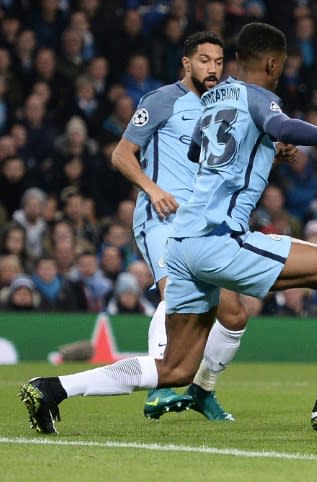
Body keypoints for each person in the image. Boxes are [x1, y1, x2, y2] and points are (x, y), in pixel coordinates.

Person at [19, 22, 317, 435]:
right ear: (273, 63)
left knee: (175, 367)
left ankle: (52, 387)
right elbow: (282, 126)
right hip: (219, 240)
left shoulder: (214, 102)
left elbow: (203, 152)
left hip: (183, 244)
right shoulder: (256, 96)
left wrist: (265, 150)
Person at [111, 31, 243, 421]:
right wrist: (152, 190)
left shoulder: (227, 105)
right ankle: (159, 388)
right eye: (204, 60)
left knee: (234, 315)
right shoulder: (161, 100)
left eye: (219, 61)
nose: (213, 69)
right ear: (187, 63)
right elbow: (121, 154)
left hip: (204, 221)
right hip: (162, 216)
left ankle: (202, 390)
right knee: (178, 295)